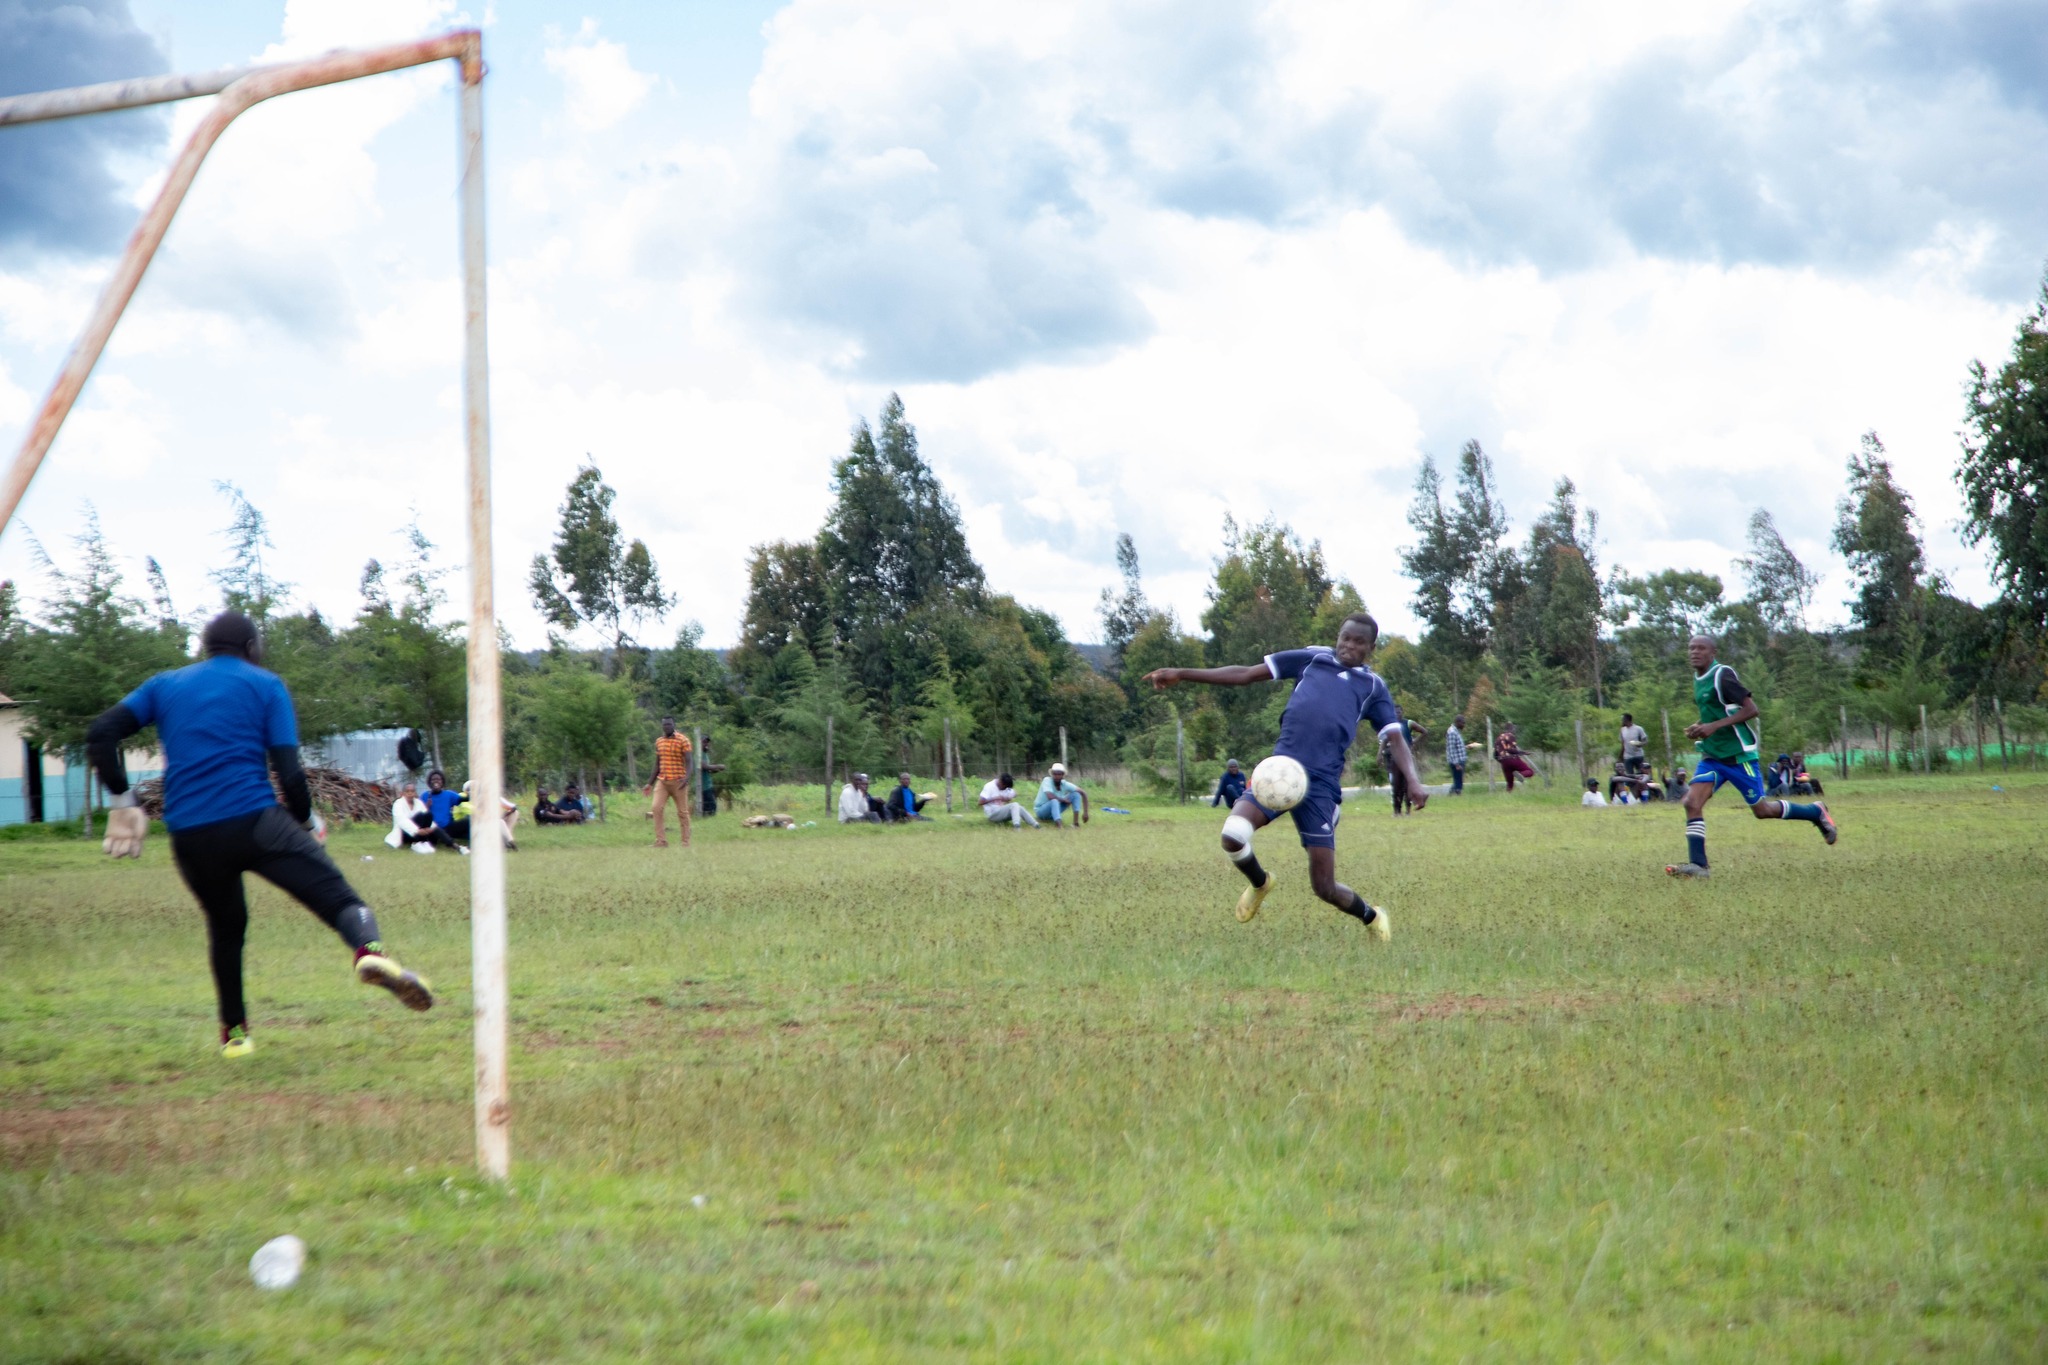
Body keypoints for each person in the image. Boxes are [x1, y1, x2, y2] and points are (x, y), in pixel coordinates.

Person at [86, 611, 433, 1059]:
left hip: (190, 835)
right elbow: (290, 774)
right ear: (250, 647)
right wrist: (305, 823)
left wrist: (123, 801)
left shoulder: (164, 685)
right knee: (342, 902)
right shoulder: (266, 685)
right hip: (255, 821)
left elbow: (101, 733)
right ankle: (370, 952)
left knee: (226, 928)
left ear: (206, 647)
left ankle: (235, 1036)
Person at [1144, 611, 1419, 938]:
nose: (1348, 646)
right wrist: (1182, 673)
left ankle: (1372, 917)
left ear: (1371, 648)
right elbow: (1245, 674)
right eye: (1345, 638)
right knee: (1232, 835)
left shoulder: (1373, 687)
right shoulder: (1312, 659)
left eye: (1358, 642)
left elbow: (1396, 739)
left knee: (1324, 887)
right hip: (1279, 772)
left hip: (1320, 787)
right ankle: (1260, 883)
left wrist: (1414, 781)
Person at [1667, 633, 1837, 879]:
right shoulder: (1698, 678)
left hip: (1739, 757)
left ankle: (1815, 811)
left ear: (1713, 652)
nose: (1694, 652)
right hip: (1713, 756)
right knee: (1691, 803)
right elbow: (1719, 711)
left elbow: (1751, 710)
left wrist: (1713, 726)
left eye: (1701, 648)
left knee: (1762, 810)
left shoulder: (1722, 675)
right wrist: (1700, 726)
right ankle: (1699, 866)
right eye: (1691, 648)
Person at [641, 717, 693, 849]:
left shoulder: (683, 740)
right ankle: (661, 841)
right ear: (662, 726)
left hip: (679, 781)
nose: (667, 727)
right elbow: (657, 764)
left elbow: (689, 761)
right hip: (663, 781)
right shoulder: (659, 741)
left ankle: (685, 842)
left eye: (669, 724)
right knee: (656, 808)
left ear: (674, 725)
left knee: (682, 812)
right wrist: (649, 783)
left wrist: (686, 777)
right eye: (664, 725)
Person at [386, 788, 453, 852]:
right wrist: (416, 831)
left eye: (412, 791)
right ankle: (416, 843)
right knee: (420, 816)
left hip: (420, 832)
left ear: (415, 793)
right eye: (407, 791)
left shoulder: (419, 803)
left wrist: (431, 828)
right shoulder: (398, 804)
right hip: (404, 834)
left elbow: (427, 819)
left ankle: (424, 842)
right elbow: (402, 821)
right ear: (403, 793)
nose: (410, 793)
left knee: (428, 815)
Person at [1035, 763, 1089, 828]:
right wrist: (1063, 800)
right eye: (1055, 774)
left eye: (1059, 774)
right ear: (1052, 774)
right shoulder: (1047, 780)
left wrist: (1085, 812)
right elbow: (1050, 796)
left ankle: (1075, 824)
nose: (1057, 776)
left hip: (1055, 809)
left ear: (1063, 775)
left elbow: (1083, 793)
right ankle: (1059, 826)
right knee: (1054, 801)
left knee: (1076, 794)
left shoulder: (1064, 784)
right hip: (1042, 811)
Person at [1495, 726, 1536, 791]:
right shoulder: (1511, 736)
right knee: (1530, 771)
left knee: (1509, 783)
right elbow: (1511, 750)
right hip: (1513, 759)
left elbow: (1495, 754)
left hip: (1503, 761)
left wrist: (1502, 761)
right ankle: (1521, 775)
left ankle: (1508, 794)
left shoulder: (1498, 738)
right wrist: (1523, 752)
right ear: (1513, 730)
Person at [698, 736, 727, 817]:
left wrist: (717, 770)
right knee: (710, 808)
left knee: (710, 807)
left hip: (708, 785)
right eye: (704, 742)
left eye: (707, 742)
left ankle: (707, 820)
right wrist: (719, 766)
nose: (706, 744)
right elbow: (705, 766)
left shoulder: (705, 754)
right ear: (699, 743)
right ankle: (707, 821)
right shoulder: (699, 754)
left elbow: (707, 770)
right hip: (703, 786)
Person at [1619, 713, 1649, 778]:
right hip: (1627, 756)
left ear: (1627, 719)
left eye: (1623, 719)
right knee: (1629, 775)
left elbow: (1645, 741)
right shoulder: (1622, 730)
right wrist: (1621, 756)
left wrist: (1640, 744)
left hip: (1638, 755)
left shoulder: (1638, 729)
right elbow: (1623, 743)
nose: (1622, 721)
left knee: (1641, 774)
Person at [1444, 715, 1468, 795]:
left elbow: (1456, 746)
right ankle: (1454, 795)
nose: (1464, 725)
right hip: (1457, 761)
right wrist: (1456, 764)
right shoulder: (1452, 732)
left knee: (1459, 781)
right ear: (1458, 722)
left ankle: (1454, 795)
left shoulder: (1456, 731)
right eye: (1463, 723)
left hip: (1460, 760)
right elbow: (1452, 749)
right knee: (1457, 782)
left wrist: (1466, 747)